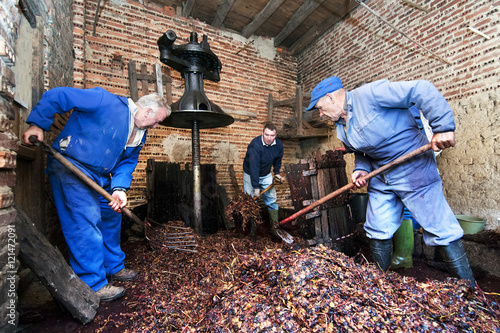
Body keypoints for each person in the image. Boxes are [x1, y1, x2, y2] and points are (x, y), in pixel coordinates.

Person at [307, 76, 475, 286]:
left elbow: (421, 88)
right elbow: (360, 152)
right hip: (381, 174)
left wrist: (442, 127)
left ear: (330, 97)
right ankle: (381, 285)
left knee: (439, 227)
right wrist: (361, 169)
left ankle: (470, 292)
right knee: (377, 227)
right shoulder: (340, 126)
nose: (320, 114)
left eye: (320, 108)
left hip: (413, 167)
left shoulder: (369, 94)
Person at [23, 87, 170, 301]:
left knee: (111, 214)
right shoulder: (104, 100)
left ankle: (113, 266)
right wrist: (38, 123)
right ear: (147, 111)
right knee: (84, 220)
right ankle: (93, 283)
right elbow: (58, 96)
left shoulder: (140, 133)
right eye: (157, 120)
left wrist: (119, 189)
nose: (156, 126)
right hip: (72, 166)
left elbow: (127, 163)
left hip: (100, 177)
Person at [243, 123, 285, 237]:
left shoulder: (278, 145)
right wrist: (256, 187)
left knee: (271, 200)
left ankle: (275, 228)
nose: (269, 138)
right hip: (250, 173)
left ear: (275, 135)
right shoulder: (255, 146)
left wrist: (276, 173)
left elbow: (277, 159)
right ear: (262, 133)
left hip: (266, 174)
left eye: (272, 135)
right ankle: (253, 231)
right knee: (251, 202)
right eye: (266, 135)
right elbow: (254, 167)